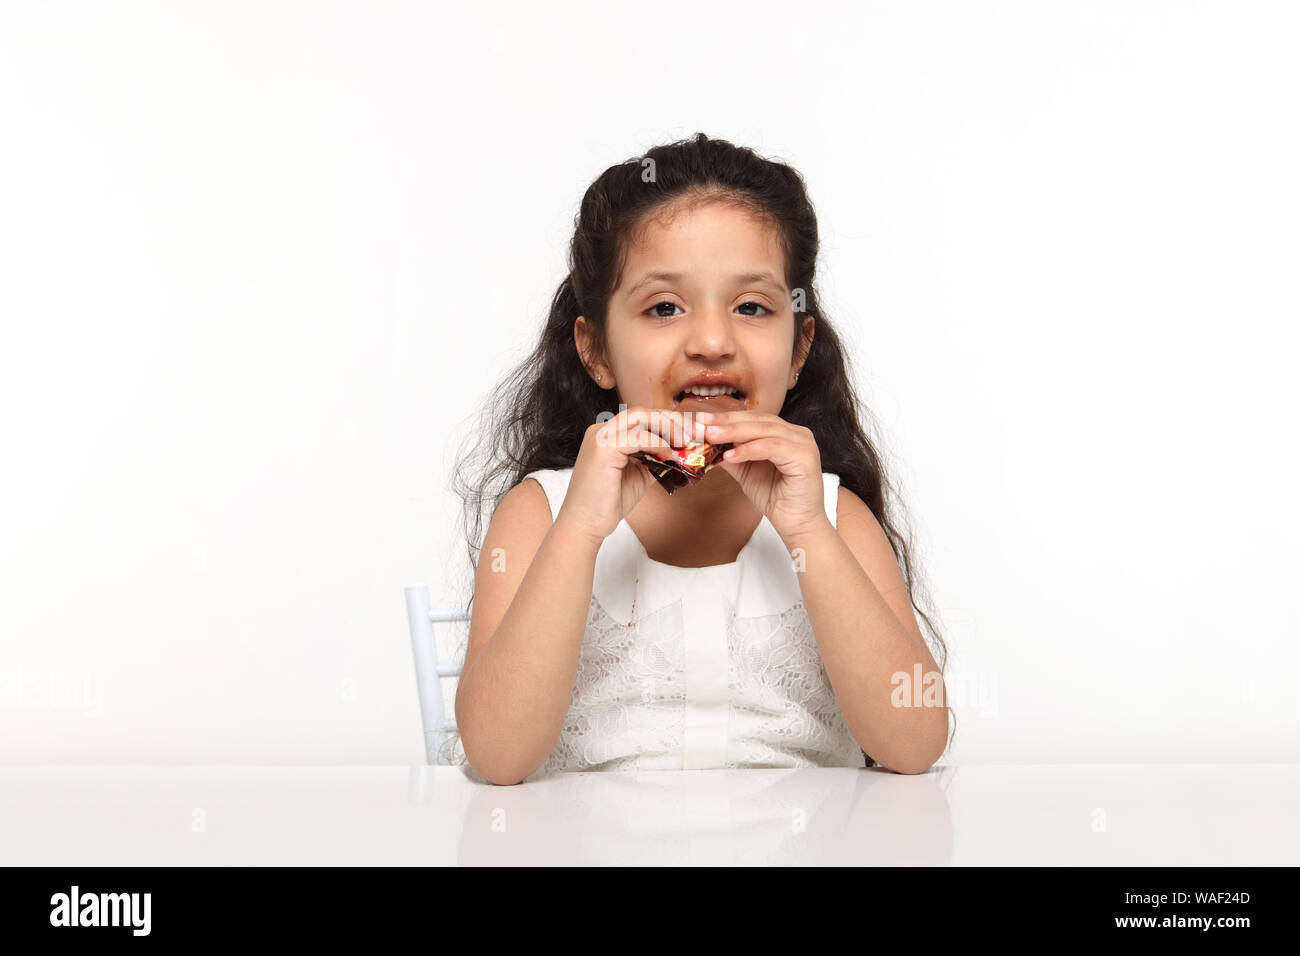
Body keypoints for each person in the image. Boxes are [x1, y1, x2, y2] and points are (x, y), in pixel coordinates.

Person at [449, 133, 952, 785]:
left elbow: (914, 747)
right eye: (664, 307)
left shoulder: (831, 514)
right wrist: (579, 531)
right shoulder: (542, 514)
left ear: (798, 348)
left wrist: (807, 532)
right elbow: (496, 758)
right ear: (596, 349)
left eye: (751, 307)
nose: (713, 341)